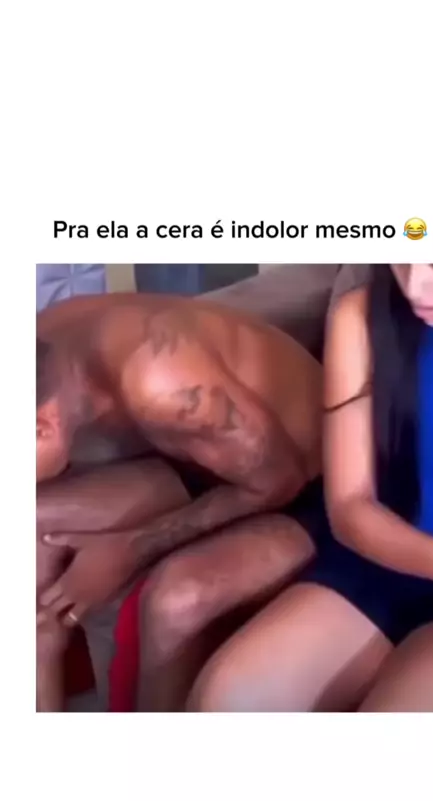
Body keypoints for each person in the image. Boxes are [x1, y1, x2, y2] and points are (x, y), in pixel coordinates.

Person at [36, 292, 325, 711]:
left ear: (41, 428)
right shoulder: (43, 340)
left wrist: (128, 550)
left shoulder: (161, 385)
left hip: (308, 477)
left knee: (174, 603)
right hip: (200, 460)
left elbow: (280, 480)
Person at [187, 264, 433, 713]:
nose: (416, 284)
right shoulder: (360, 314)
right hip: (391, 553)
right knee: (225, 700)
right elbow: (350, 505)